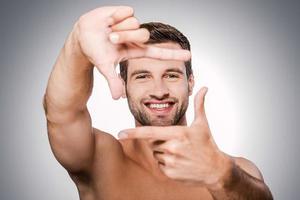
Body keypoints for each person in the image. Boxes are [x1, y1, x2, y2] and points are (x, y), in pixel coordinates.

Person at [43, 6, 273, 200]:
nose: (159, 91)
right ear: (123, 85)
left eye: (171, 75)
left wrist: (221, 174)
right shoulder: (98, 158)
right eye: (142, 76)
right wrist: (77, 44)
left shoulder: (237, 171)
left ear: (190, 82)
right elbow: (61, 113)